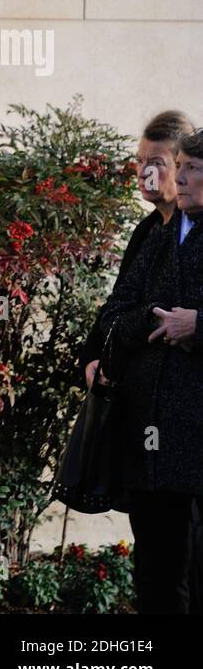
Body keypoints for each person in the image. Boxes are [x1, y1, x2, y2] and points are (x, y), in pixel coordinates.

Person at [99, 128, 203, 613]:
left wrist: (198, 325)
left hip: (196, 436)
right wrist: (152, 319)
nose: (178, 179)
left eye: (192, 169)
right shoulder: (158, 235)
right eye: (177, 166)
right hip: (153, 435)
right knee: (157, 577)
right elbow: (116, 312)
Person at [80, 111, 194, 387]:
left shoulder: (190, 233)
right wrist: (94, 359)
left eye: (156, 163)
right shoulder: (147, 230)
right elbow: (118, 305)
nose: (143, 172)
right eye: (140, 161)